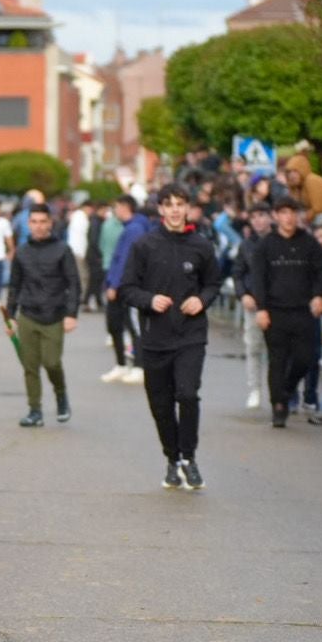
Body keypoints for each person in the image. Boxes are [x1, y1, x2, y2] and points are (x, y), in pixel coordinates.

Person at [117, 184, 220, 491]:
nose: (175, 209)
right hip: (155, 336)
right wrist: (149, 300)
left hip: (191, 335)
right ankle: (172, 460)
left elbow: (213, 283)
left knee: (187, 394)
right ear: (160, 209)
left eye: (180, 203)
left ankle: (189, 457)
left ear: (187, 208)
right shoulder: (144, 245)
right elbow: (127, 289)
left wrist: (202, 300)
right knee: (161, 404)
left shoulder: (201, 245)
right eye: (169, 204)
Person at [250, 197, 322, 428]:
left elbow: (321, 273)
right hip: (275, 312)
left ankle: (287, 389)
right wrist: (261, 308)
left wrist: (318, 296)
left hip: (303, 312)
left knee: (306, 359)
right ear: (276, 216)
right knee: (277, 360)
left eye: (292, 212)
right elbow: (258, 279)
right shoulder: (266, 245)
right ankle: (279, 407)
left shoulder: (309, 243)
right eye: (283, 212)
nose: (288, 217)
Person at [5, 204, 80, 427]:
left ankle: (61, 394)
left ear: (50, 223)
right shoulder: (22, 251)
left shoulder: (62, 250)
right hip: (28, 314)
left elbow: (74, 283)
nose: (38, 226)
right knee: (30, 366)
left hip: (54, 315)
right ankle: (35, 410)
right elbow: (14, 285)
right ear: (28, 224)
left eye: (42, 221)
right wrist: (10, 316)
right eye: (34, 222)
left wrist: (71, 314)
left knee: (52, 362)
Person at [101, 195, 150, 385]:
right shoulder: (130, 228)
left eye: (117, 207)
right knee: (117, 325)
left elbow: (126, 260)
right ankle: (122, 364)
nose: (115, 211)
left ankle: (138, 366)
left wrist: (115, 284)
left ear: (125, 207)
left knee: (132, 325)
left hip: (126, 286)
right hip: (121, 283)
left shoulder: (134, 229)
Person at [232, 204, 273, 409]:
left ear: (270, 217)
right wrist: (243, 294)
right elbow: (237, 273)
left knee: (280, 350)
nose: (258, 220)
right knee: (253, 347)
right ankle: (255, 389)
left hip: (278, 304)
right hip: (253, 303)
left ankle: (281, 393)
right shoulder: (246, 245)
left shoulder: (279, 241)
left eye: (262, 216)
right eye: (254, 216)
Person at [283, 154, 322, 222]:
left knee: (319, 219)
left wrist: (305, 217)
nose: (291, 175)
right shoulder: (298, 186)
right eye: (289, 172)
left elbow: (318, 208)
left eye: (295, 171)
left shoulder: (312, 180)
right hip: (319, 216)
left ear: (302, 170)